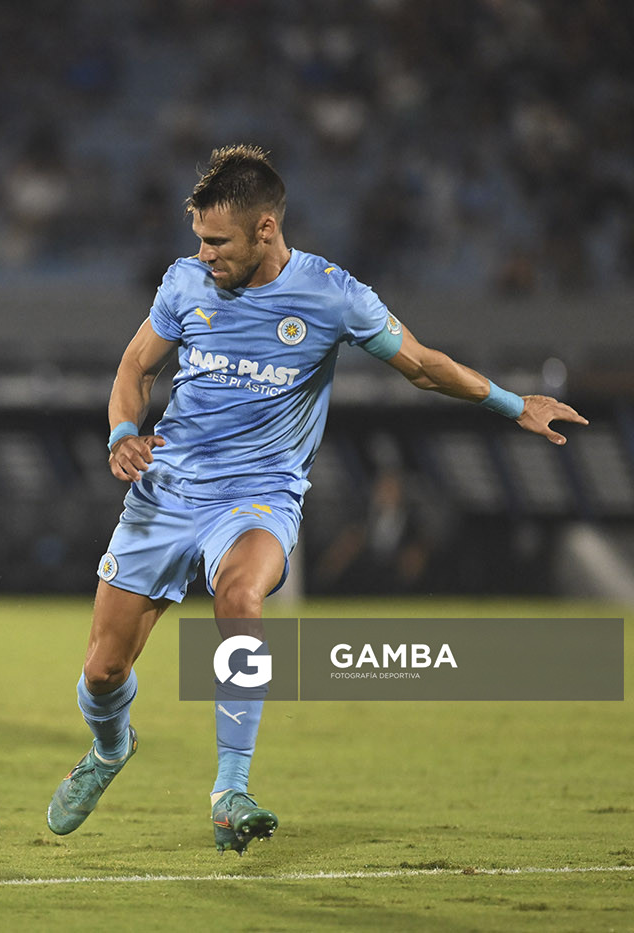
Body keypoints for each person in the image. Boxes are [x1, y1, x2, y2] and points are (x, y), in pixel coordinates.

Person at [44, 145, 586, 854]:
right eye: (199, 241)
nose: (204, 255)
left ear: (265, 229)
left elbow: (421, 365)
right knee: (103, 670)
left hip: (260, 495)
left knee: (241, 596)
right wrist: (122, 430)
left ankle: (229, 788)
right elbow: (135, 365)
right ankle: (111, 749)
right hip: (168, 490)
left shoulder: (332, 293)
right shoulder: (182, 284)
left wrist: (514, 404)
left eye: (218, 242)